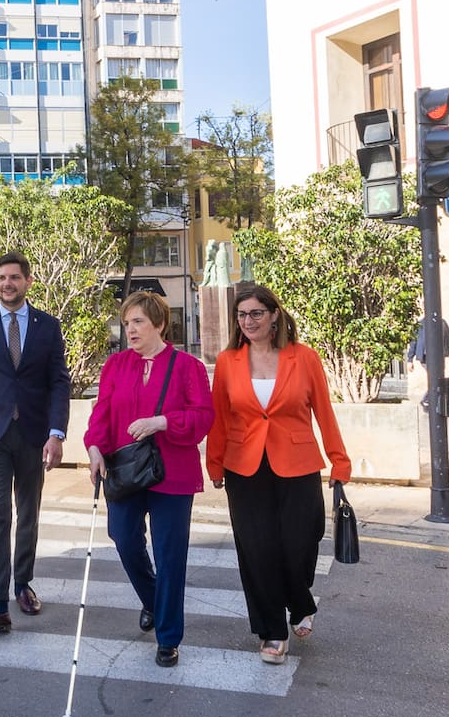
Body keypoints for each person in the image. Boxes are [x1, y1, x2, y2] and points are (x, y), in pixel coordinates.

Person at [207, 284, 351, 666]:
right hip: (244, 466)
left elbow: (324, 412)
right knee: (257, 550)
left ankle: (300, 601)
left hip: (298, 463)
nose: (248, 321)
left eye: (256, 313)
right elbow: (220, 417)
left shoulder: (304, 358)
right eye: (242, 315)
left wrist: (339, 461)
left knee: (301, 542)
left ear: (274, 315)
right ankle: (272, 631)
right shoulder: (228, 362)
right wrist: (215, 463)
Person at [83, 291, 213, 668]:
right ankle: (154, 600)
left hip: (173, 471)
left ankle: (168, 637)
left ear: (159, 324)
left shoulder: (187, 367)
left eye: (138, 321)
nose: (130, 330)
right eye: (127, 323)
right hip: (125, 469)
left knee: (170, 554)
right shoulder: (115, 366)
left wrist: (163, 422)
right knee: (123, 538)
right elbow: (102, 413)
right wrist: (94, 447)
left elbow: (203, 416)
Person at [0, 252, 70, 632]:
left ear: (28, 282)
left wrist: (57, 433)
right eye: (2, 278)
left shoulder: (48, 326)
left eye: (14, 277)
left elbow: (59, 383)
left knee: (28, 513)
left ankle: (23, 584)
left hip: (34, 436)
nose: (7, 283)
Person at [407, 314, 449, 409]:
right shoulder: (421, 324)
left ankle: (430, 400)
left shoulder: (442, 323)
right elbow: (414, 342)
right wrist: (410, 360)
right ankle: (426, 400)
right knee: (435, 378)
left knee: (438, 379)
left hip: (439, 356)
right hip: (426, 357)